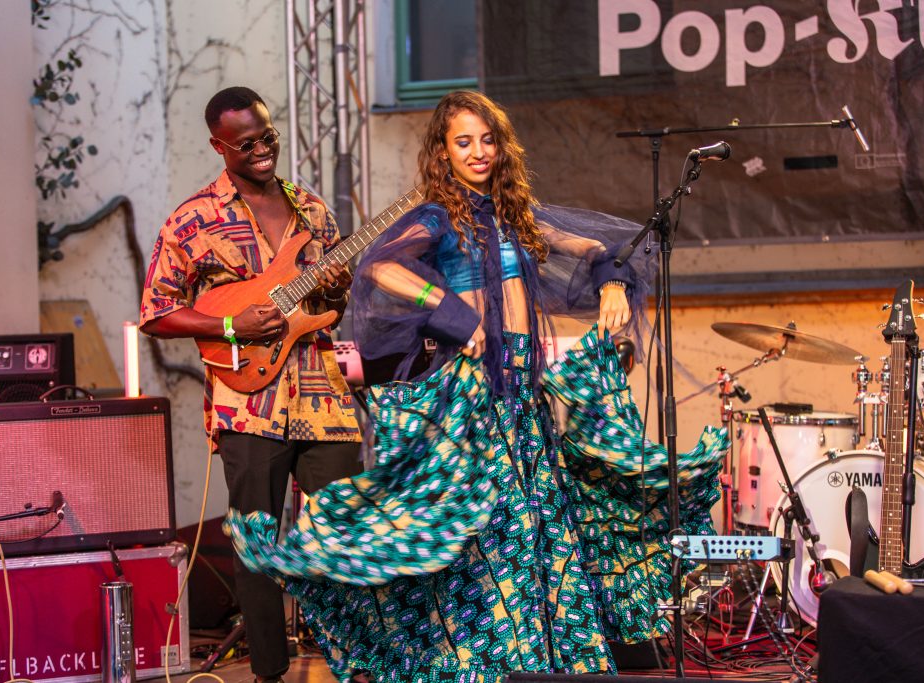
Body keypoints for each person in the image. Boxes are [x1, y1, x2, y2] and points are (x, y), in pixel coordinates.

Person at [226, 90, 726, 681]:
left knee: (541, 532)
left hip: (523, 396)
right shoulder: (437, 214)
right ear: (444, 150)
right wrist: (456, 317)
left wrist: (612, 281)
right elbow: (380, 267)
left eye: (487, 139)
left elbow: (595, 247)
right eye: (464, 141)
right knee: (487, 537)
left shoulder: (515, 212)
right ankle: (486, 664)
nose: (479, 152)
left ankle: (545, 662)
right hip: (473, 399)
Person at [140, 86, 363, 683]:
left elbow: (331, 302)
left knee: (346, 534)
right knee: (257, 544)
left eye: (268, 135)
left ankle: (356, 663)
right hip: (247, 402)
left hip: (322, 395)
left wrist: (338, 286)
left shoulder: (312, 209)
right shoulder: (193, 219)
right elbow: (157, 313)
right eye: (248, 142)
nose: (263, 149)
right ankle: (269, 669)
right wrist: (231, 323)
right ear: (219, 145)